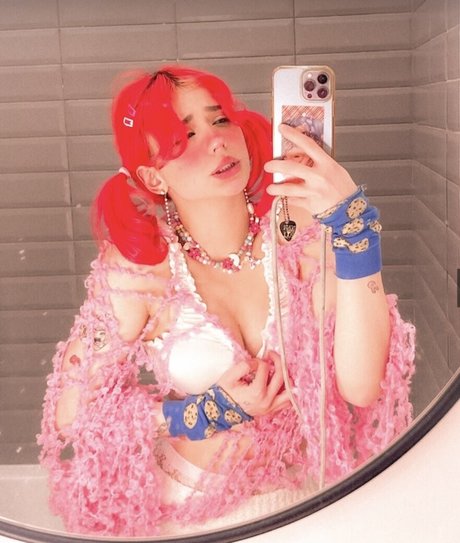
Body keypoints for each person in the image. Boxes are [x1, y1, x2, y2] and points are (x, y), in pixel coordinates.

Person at [37, 65, 415, 537]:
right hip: (191, 511)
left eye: (219, 120)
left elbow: (361, 386)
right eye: (185, 135)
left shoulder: (300, 238)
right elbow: (72, 414)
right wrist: (202, 413)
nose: (216, 141)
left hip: (305, 499)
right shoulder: (142, 274)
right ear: (154, 176)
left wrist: (354, 229)